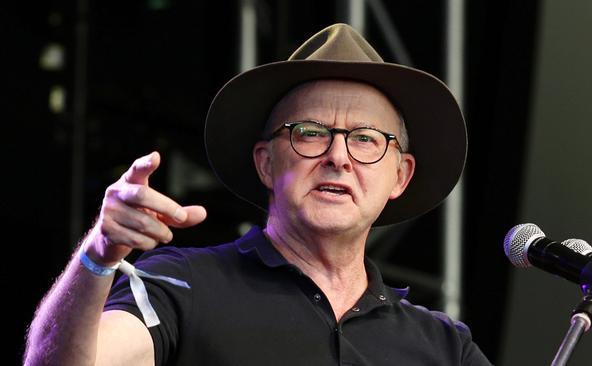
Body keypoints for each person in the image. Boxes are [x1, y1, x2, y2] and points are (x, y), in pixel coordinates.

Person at [24, 23, 492, 365]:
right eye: (310, 133)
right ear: (266, 163)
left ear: (400, 176)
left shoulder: (443, 346)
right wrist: (98, 256)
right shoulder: (182, 285)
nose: (338, 156)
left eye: (366, 138)